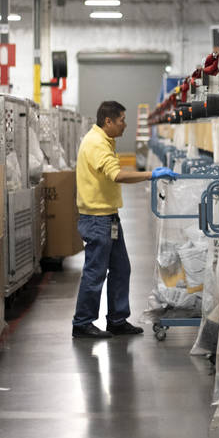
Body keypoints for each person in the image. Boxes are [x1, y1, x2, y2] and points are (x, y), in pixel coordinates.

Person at [72, 100, 178, 338]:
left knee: (121, 269)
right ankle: (82, 323)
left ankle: (117, 319)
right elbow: (117, 175)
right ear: (107, 121)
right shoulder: (97, 143)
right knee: (95, 271)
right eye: (121, 120)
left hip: (108, 216)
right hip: (97, 219)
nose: (125, 125)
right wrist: (151, 174)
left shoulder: (103, 140)